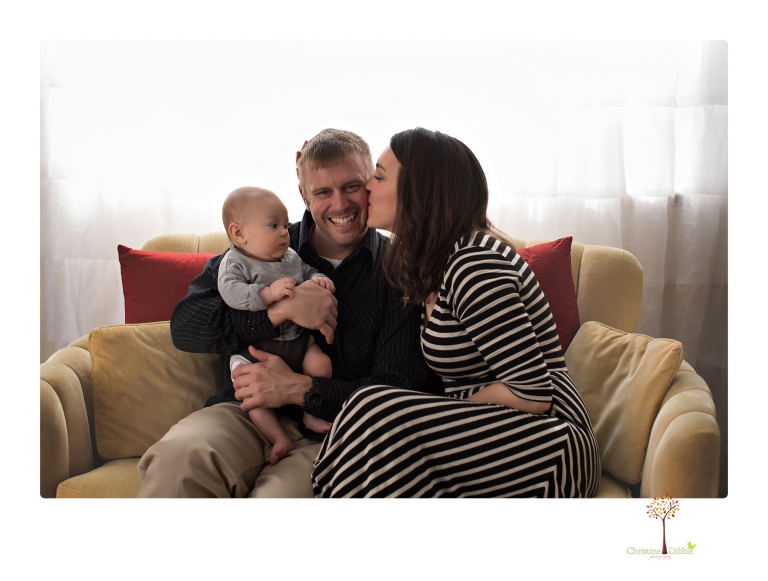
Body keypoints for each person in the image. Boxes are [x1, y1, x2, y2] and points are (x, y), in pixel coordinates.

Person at [136, 128, 432, 497]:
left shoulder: (398, 269)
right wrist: (279, 310)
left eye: (351, 186)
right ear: (304, 195)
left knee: (280, 498)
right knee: (178, 459)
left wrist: (302, 390)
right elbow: (186, 328)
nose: (340, 204)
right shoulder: (260, 243)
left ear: (370, 184)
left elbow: (397, 387)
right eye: (323, 192)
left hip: (334, 429)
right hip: (243, 411)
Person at [311, 127, 601, 497]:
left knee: (375, 406)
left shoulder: (474, 263)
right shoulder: (433, 266)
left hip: (551, 449)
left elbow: (532, 394)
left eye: (379, 176)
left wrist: (436, 410)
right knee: (366, 407)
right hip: (486, 440)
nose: (366, 186)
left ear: (420, 191)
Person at [218, 186, 336, 464]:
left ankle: (311, 414)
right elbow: (231, 292)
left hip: (296, 341)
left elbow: (306, 271)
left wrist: (317, 279)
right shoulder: (234, 263)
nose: (285, 232)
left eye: (285, 225)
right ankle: (277, 437)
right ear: (239, 233)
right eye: (274, 226)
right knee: (252, 394)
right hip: (258, 351)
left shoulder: (290, 256)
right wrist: (269, 295)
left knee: (322, 364)